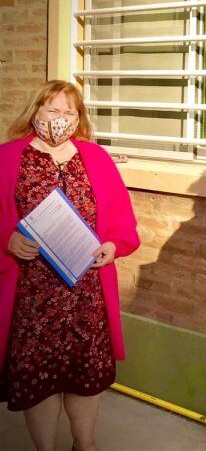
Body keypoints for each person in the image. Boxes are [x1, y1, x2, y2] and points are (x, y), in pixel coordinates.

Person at [0, 81, 140, 451]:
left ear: (78, 119)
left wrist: (113, 245)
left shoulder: (95, 158)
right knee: (40, 377)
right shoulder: (7, 157)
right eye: (53, 111)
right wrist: (7, 240)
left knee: (86, 374)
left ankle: (85, 444)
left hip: (86, 291)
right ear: (35, 112)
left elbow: (123, 223)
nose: (60, 120)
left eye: (69, 113)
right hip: (31, 294)